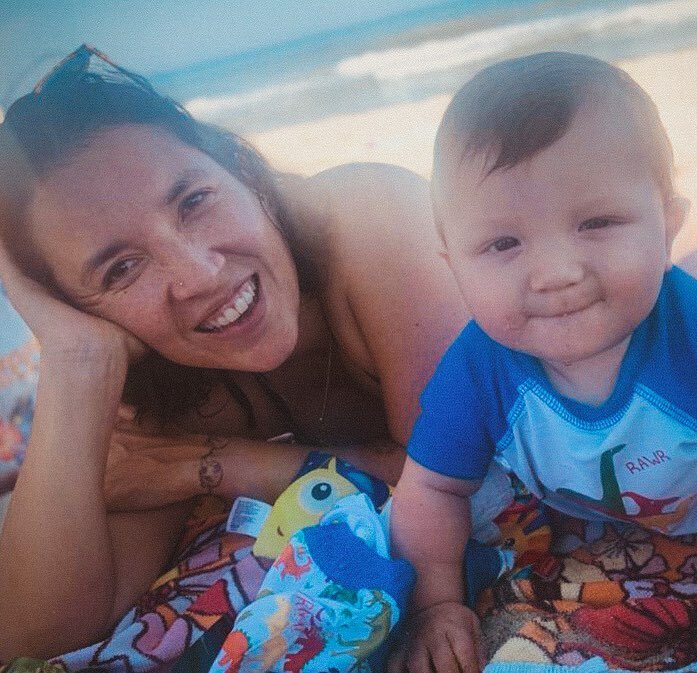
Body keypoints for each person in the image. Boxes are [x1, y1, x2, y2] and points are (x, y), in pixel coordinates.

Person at [388, 52, 697, 673]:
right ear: (452, 261)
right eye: (503, 243)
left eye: (596, 222)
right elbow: (431, 488)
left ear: (668, 224)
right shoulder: (476, 370)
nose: (556, 274)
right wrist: (437, 606)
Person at [0, 45, 469, 659]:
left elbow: (472, 477)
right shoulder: (148, 372)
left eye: (193, 201)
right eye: (121, 269)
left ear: (244, 174)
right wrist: (76, 359)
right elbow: (32, 635)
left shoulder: (371, 225)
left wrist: (211, 464)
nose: (198, 274)